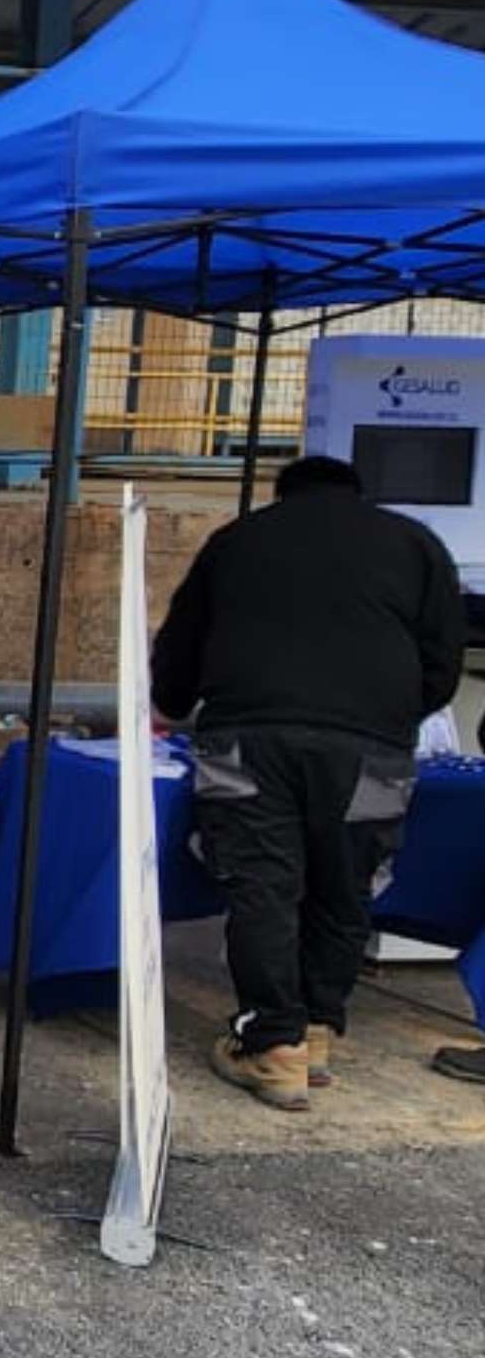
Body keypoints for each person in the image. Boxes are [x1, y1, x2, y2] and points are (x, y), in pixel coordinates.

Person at [151, 454, 465, 1110]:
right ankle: (318, 1027)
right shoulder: (414, 544)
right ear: (358, 494)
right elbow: (443, 660)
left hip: (248, 739)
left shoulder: (238, 540)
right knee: (346, 880)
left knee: (262, 880)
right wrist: (390, 716)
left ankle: (274, 1044)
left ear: (281, 494)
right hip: (373, 746)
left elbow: (179, 648)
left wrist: (174, 703)